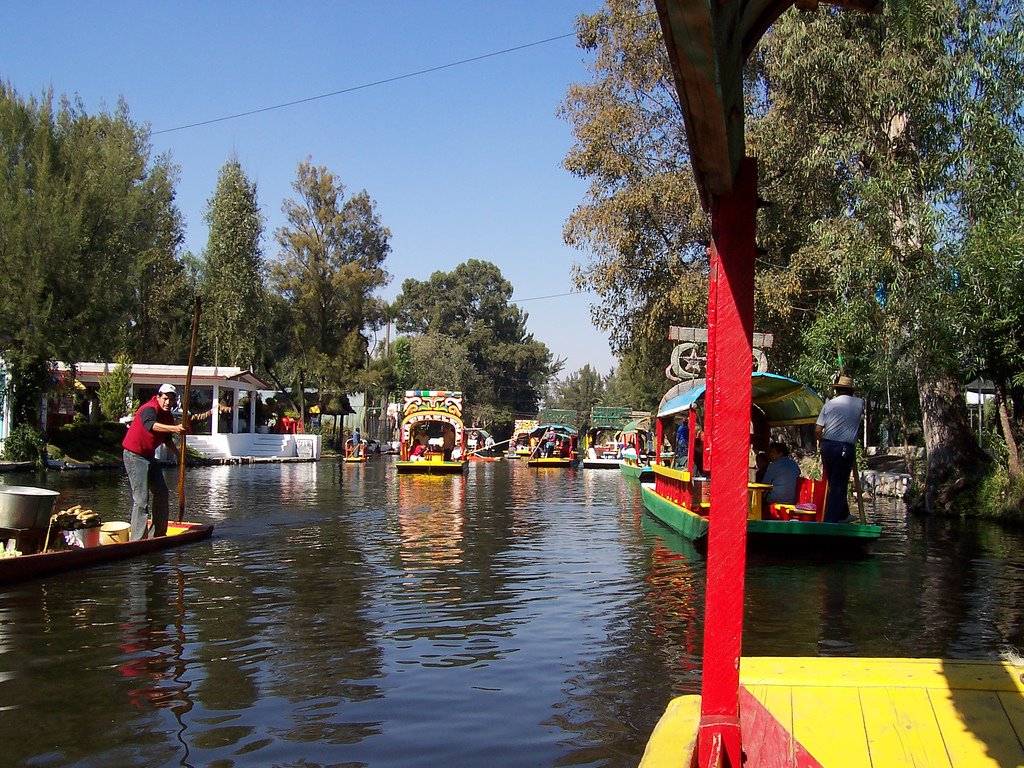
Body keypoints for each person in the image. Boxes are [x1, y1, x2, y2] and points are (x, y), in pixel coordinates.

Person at [122, 384, 187, 540]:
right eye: (165, 399)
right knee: (141, 499)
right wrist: (174, 428)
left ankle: (157, 535)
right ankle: (137, 540)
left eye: (171, 400)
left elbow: (167, 440)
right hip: (134, 455)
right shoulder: (149, 408)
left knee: (161, 492)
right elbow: (150, 425)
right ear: (158, 397)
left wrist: (179, 455)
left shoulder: (168, 416)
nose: (167, 403)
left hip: (149, 456)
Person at [816, 374, 865, 523]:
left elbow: (818, 429)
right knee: (839, 484)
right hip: (844, 448)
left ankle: (843, 514)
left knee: (835, 482)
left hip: (827, 446)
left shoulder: (829, 404)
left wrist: (821, 442)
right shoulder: (859, 403)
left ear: (837, 390)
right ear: (852, 391)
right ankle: (830, 521)